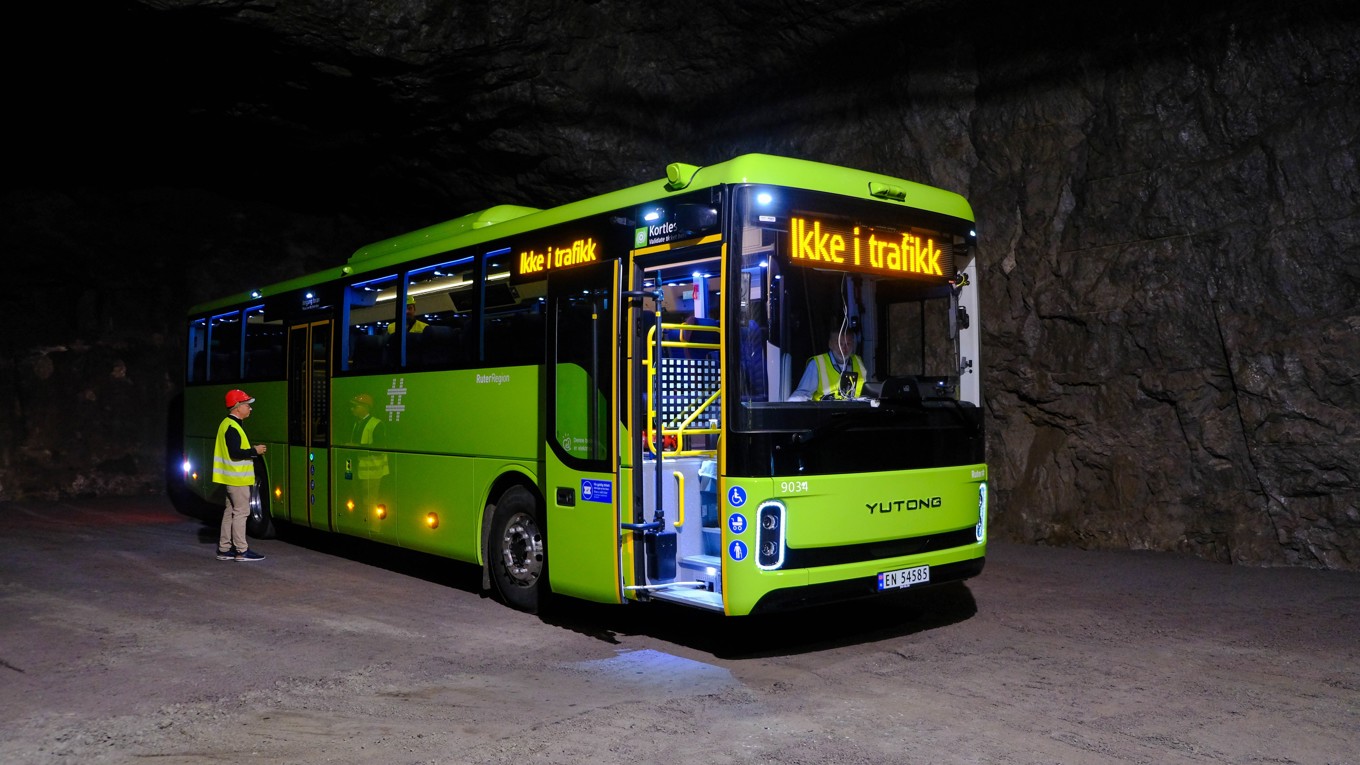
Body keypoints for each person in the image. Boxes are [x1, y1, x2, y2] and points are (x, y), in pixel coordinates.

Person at [214, 389, 267, 561]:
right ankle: (241, 550)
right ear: (237, 407)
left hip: (231, 478)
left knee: (230, 512)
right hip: (237, 478)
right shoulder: (232, 427)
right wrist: (255, 451)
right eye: (246, 405)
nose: (250, 409)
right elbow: (236, 452)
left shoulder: (227, 424)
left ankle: (224, 549)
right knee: (241, 512)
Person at [788, 328, 867, 401]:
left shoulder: (858, 361)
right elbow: (802, 395)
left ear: (853, 345)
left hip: (853, 413)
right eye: (839, 343)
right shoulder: (817, 364)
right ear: (830, 344)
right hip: (825, 414)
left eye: (848, 344)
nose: (843, 348)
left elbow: (866, 392)